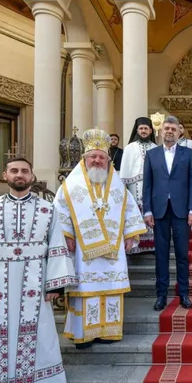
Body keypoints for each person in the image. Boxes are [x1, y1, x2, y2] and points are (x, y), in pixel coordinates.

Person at [0, 157, 76, 383]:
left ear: (32, 176)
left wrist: (55, 285)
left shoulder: (48, 209)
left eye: (24, 171)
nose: (20, 175)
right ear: (5, 175)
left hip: (36, 280)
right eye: (14, 170)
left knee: (39, 333)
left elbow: (56, 245)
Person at [55, 128, 147, 349]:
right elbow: (60, 211)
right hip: (83, 251)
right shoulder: (70, 186)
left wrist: (130, 235)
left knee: (111, 286)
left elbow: (130, 211)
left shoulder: (117, 186)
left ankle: (108, 331)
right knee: (85, 290)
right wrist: (66, 236)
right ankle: (84, 334)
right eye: (93, 157)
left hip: (113, 251)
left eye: (102, 157)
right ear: (85, 159)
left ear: (108, 160)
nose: (97, 161)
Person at [142, 116, 192, 311]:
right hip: (159, 211)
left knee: (183, 254)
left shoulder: (188, 153)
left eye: (173, 129)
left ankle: (183, 293)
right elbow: (147, 184)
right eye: (166, 128)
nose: (169, 131)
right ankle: (161, 295)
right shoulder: (152, 155)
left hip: (182, 211)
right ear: (160, 131)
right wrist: (147, 210)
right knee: (161, 254)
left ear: (179, 132)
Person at [120, 117, 158, 254]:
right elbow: (125, 168)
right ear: (137, 130)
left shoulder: (156, 148)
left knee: (151, 212)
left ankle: (151, 245)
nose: (143, 131)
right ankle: (135, 245)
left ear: (150, 131)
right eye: (141, 128)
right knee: (135, 213)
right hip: (133, 187)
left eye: (146, 128)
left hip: (152, 186)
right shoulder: (130, 148)